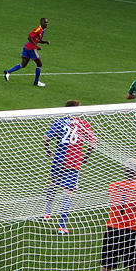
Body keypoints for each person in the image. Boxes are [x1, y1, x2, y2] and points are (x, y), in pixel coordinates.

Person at [43, 100, 96, 234]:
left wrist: (48, 150)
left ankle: (47, 214)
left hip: (58, 159)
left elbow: (46, 139)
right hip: (73, 162)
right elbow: (92, 144)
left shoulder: (59, 122)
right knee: (68, 193)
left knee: (54, 184)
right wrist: (85, 157)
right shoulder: (83, 124)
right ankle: (62, 226)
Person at [4, 17, 50, 87]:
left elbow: (37, 40)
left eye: (47, 22)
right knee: (39, 64)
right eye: (45, 22)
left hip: (27, 47)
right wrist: (36, 46)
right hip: (32, 49)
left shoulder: (42, 31)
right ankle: (36, 82)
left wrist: (45, 42)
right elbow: (29, 37)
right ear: (41, 23)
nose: (46, 24)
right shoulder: (38, 29)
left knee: (23, 64)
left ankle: (8, 72)